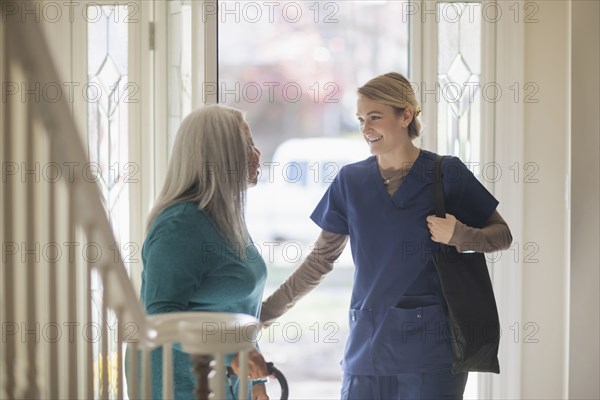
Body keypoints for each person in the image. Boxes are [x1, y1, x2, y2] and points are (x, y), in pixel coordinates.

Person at [260, 72, 513, 399]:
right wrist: (265, 313)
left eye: (375, 118)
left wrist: (460, 235)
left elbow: (502, 235)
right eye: (361, 119)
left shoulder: (445, 173)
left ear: (406, 115)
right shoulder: (350, 182)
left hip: (433, 354)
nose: (366, 129)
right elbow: (320, 260)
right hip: (367, 349)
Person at [128, 105, 270, 400]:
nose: (257, 155)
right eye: (247, 146)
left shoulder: (225, 217)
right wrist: (234, 354)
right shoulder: (179, 225)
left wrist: (256, 382)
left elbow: (239, 310)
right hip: (177, 385)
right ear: (221, 157)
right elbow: (160, 317)